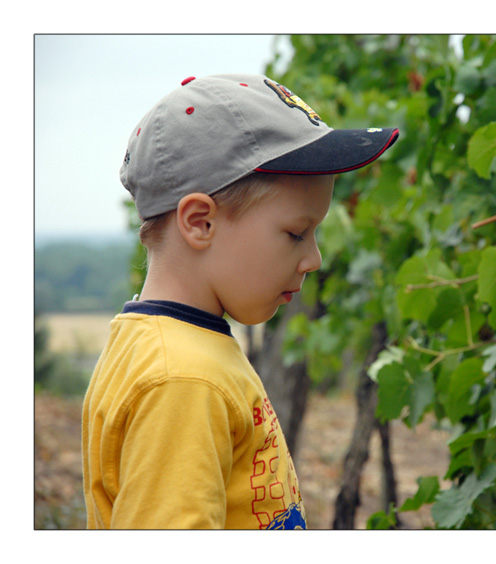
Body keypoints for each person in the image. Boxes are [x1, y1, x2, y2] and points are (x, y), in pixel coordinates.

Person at [81, 73, 399, 529]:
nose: (314, 258)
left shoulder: (166, 346)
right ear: (200, 223)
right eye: (295, 233)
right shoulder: (184, 381)